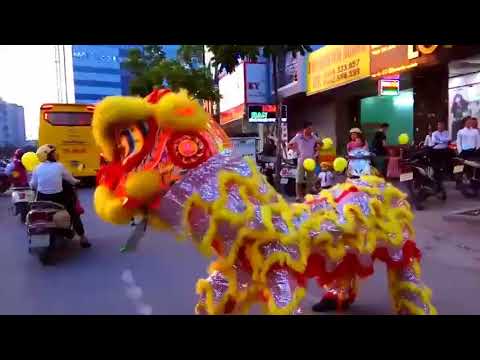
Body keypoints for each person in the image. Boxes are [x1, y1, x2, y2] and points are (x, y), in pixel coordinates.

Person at [29, 144, 91, 248]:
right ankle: (83, 238)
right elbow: (71, 180)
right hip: (58, 199)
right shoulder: (59, 166)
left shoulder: (36, 168)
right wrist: (78, 182)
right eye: (53, 153)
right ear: (47, 156)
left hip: (41, 200)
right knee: (73, 213)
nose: (55, 155)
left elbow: (33, 184)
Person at [288, 121, 318, 202]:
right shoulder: (298, 137)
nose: (311, 130)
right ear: (305, 129)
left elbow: (321, 143)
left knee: (310, 179)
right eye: (309, 128)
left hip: (311, 161)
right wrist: (296, 150)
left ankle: (307, 195)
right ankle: (298, 196)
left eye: (312, 128)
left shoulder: (313, 137)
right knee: (299, 179)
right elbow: (289, 144)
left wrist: (316, 150)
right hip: (301, 160)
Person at [429, 121, 451, 194]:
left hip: (445, 151)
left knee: (445, 165)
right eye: (439, 125)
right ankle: (436, 180)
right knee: (436, 167)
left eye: (442, 125)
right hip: (436, 152)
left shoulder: (447, 132)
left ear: (444, 126)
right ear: (437, 126)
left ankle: (445, 176)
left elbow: (448, 139)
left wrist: (440, 140)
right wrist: (443, 141)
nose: (440, 126)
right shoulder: (434, 133)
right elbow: (434, 141)